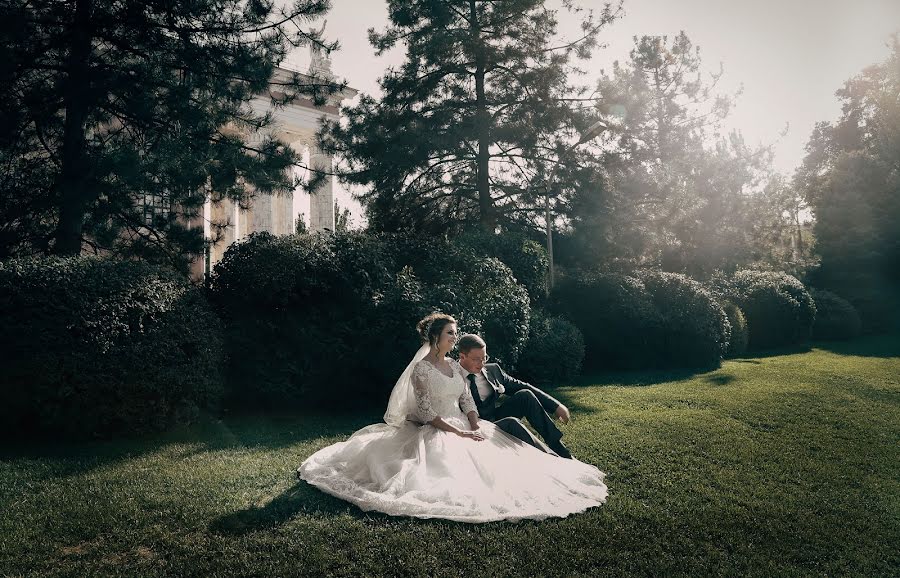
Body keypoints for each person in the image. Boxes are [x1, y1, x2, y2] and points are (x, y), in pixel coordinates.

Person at [297, 312, 607, 523]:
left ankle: (554, 455)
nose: (453, 338)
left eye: (455, 333)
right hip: (439, 428)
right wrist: (458, 433)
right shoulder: (422, 369)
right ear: (435, 336)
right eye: (450, 333)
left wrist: (474, 424)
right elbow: (428, 411)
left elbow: (466, 398)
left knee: (503, 459)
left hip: (466, 423)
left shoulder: (456, 367)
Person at [457, 334, 573, 458]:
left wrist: (556, 406)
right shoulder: (451, 376)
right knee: (512, 423)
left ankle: (559, 449)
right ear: (462, 356)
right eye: (476, 359)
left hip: (495, 417)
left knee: (525, 395)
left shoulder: (493, 370)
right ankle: (550, 457)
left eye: (484, 358)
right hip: (474, 426)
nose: (481, 364)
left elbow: (523, 386)